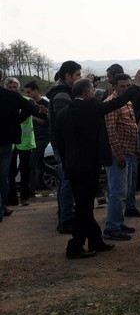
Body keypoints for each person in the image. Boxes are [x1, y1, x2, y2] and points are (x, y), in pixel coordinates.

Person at [55, 74, 140, 259]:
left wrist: (66, 161)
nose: (95, 94)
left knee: (84, 206)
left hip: (72, 166)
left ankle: (95, 240)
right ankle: (75, 246)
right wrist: (135, 86)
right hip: (88, 166)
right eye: (93, 91)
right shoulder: (91, 107)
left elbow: (58, 142)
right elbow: (116, 103)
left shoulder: (63, 113)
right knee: (83, 208)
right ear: (88, 93)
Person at [102, 73, 140, 242]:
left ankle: (118, 223)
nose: (126, 89)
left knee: (125, 191)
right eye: (123, 86)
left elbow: (132, 127)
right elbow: (110, 131)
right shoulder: (111, 104)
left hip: (129, 152)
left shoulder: (127, 102)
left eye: (129, 86)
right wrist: (118, 154)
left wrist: (136, 149)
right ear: (115, 87)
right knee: (117, 192)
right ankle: (112, 227)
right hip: (118, 155)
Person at [47, 61, 82, 233]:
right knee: (67, 180)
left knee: (64, 180)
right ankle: (66, 219)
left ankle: (65, 214)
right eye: (77, 75)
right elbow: (64, 121)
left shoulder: (64, 91)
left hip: (63, 143)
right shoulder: (62, 94)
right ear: (67, 76)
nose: (79, 78)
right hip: (64, 144)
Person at [0, 82, 36, 220]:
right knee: (3, 176)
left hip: (11, 141)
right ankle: (2, 207)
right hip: (6, 140)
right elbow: (29, 107)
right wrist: (16, 120)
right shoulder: (11, 96)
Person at [23, 81, 50, 199]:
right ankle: (60, 176)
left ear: (36, 90)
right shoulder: (28, 103)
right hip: (34, 137)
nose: (28, 95)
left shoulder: (45, 104)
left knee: (32, 162)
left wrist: (31, 117)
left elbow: (45, 122)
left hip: (42, 137)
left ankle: (31, 191)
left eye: (29, 92)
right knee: (41, 163)